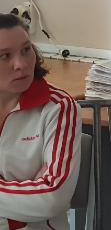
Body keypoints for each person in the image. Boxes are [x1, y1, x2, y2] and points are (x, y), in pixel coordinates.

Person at [0, 13, 82, 230]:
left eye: (26, 50)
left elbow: (52, 199)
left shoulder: (58, 107)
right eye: (5, 56)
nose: (21, 64)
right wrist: (26, 195)